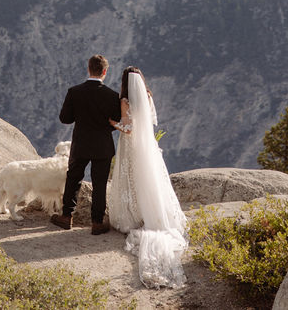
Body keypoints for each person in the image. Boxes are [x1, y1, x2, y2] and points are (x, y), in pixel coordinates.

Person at [107, 66, 187, 288]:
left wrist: (113, 124)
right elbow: (149, 123)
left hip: (131, 146)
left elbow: (129, 128)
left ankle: (133, 215)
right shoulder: (148, 97)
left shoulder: (125, 101)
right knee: (149, 181)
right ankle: (151, 213)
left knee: (132, 181)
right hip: (148, 147)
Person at [51, 54, 122, 235]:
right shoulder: (112, 96)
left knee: (73, 179)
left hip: (81, 143)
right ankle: (97, 223)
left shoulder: (74, 92)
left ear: (88, 69)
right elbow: (118, 121)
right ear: (105, 72)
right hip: (103, 145)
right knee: (100, 184)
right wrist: (104, 127)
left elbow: (65, 119)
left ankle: (66, 217)